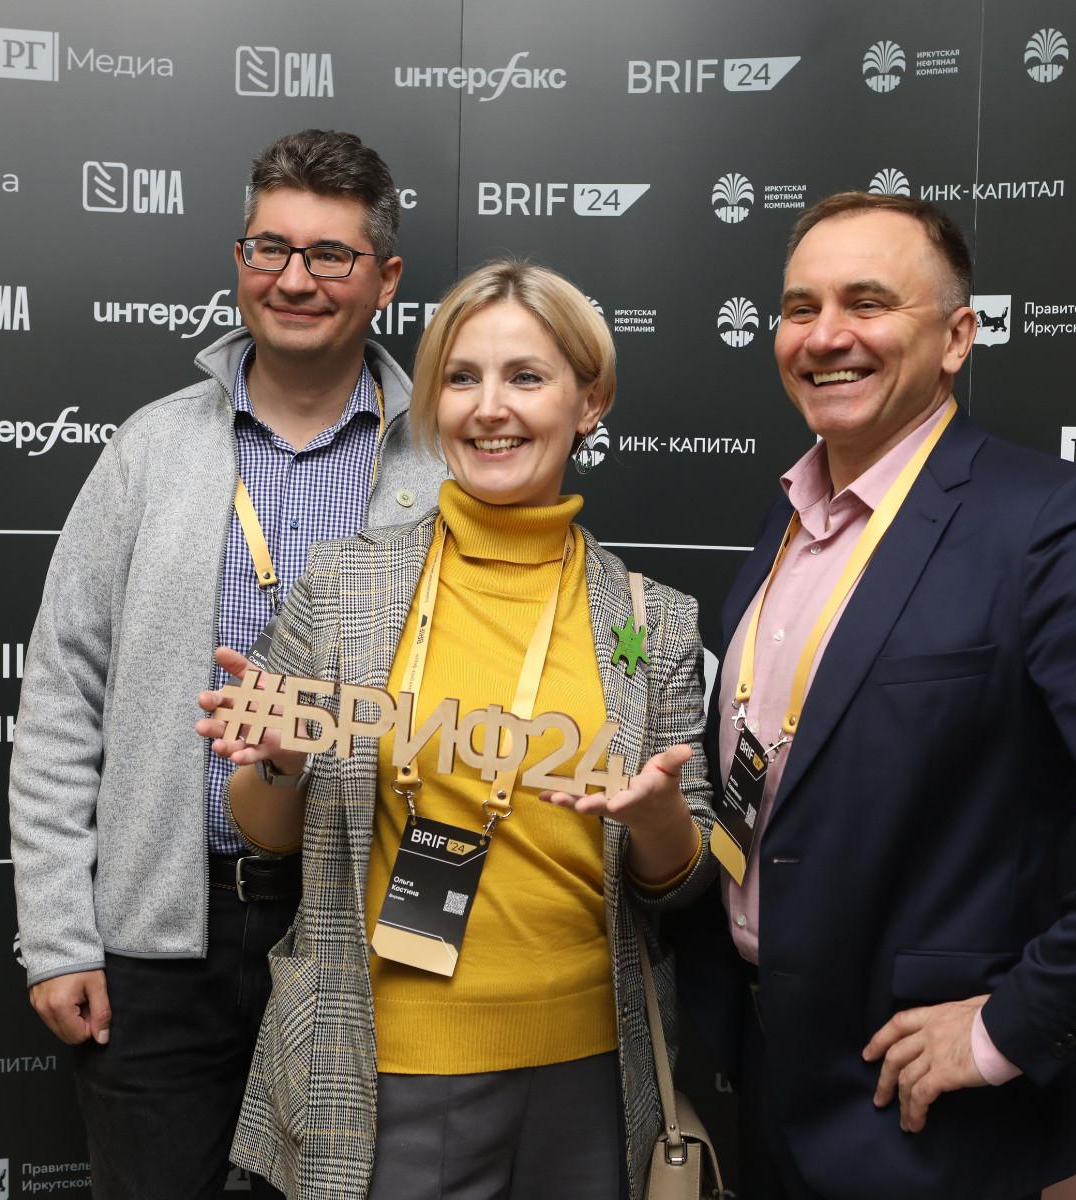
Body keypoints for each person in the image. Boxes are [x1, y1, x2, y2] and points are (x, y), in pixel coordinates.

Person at [669, 192, 1076, 1200]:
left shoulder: (1045, 523)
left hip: (917, 1117)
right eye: (801, 307)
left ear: (955, 338)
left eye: (867, 303)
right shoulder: (791, 516)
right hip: (763, 1078)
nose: (826, 335)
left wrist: (1008, 1028)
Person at [196, 260, 718, 1200]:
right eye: (462, 377)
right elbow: (262, 834)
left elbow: (682, 882)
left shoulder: (655, 619)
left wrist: (655, 819)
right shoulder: (343, 586)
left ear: (589, 402)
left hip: (592, 1073)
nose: (489, 408)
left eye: (527, 377)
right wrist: (281, 764)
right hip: (380, 1068)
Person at [9, 129, 446, 1198]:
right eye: (269, 248)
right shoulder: (150, 450)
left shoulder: (443, 468)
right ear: (239, 258)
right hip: (164, 940)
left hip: (368, 937)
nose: (294, 279)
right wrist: (59, 936)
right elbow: (63, 696)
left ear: (386, 278)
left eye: (330, 254)